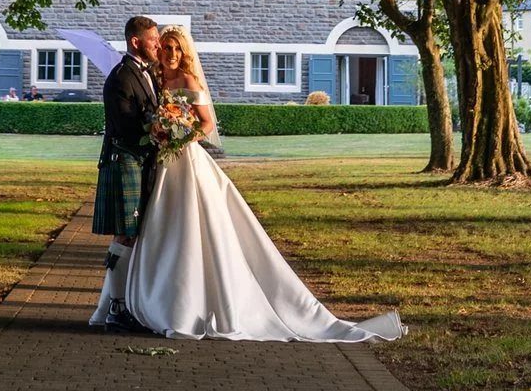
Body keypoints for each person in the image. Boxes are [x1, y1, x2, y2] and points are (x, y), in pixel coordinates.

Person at [100, 27, 404, 343]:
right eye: (165, 47)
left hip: (186, 159)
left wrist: (181, 137)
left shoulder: (189, 81)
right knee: (158, 226)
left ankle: (188, 300)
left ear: (184, 52)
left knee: (191, 223)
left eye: (176, 48)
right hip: (161, 163)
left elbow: (206, 123)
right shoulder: (156, 79)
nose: (170, 53)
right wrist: (162, 133)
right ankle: (148, 297)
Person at [90, 15, 164, 332]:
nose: (158, 45)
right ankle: (116, 310)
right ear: (136, 42)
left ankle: (115, 305)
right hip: (124, 160)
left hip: (139, 161)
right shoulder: (121, 77)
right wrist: (161, 130)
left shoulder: (146, 73)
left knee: (131, 234)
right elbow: (126, 127)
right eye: (153, 40)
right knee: (126, 234)